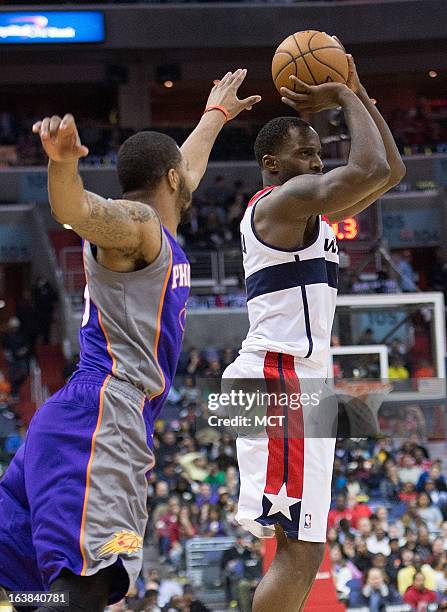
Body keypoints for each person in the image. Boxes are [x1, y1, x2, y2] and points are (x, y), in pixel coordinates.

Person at [0, 70, 261, 611]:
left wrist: (215, 115)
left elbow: (186, 163)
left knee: (29, 592)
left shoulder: (157, 219)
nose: (190, 176)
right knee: (92, 586)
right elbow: (79, 213)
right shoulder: (140, 225)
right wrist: (63, 165)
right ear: (170, 179)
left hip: (72, 421)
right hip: (105, 418)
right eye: (181, 174)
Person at [221, 50, 405, 612]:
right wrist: (344, 96)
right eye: (305, 155)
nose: (316, 164)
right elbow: (369, 169)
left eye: (319, 154)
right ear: (270, 165)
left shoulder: (307, 213)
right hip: (277, 380)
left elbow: (391, 171)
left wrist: (360, 91)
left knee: (306, 546)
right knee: (299, 551)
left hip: (297, 384)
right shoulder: (281, 202)